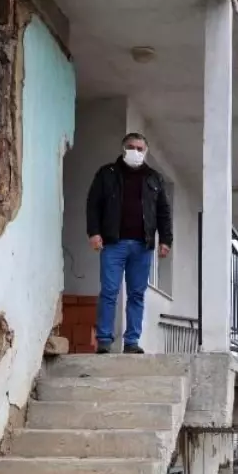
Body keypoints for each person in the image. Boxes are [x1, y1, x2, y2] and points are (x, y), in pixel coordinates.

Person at [86, 132, 173, 355]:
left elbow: (163, 211)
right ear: (124, 149)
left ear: (146, 151)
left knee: (136, 294)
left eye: (140, 148)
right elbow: (93, 204)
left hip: (142, 247)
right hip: (113, 243)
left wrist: (165, 240)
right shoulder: (107, 174)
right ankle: (104, 340)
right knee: (109, 291)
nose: (136, 151)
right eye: (132, 147)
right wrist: (94, 233)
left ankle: (132, 342)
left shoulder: (154, 178)